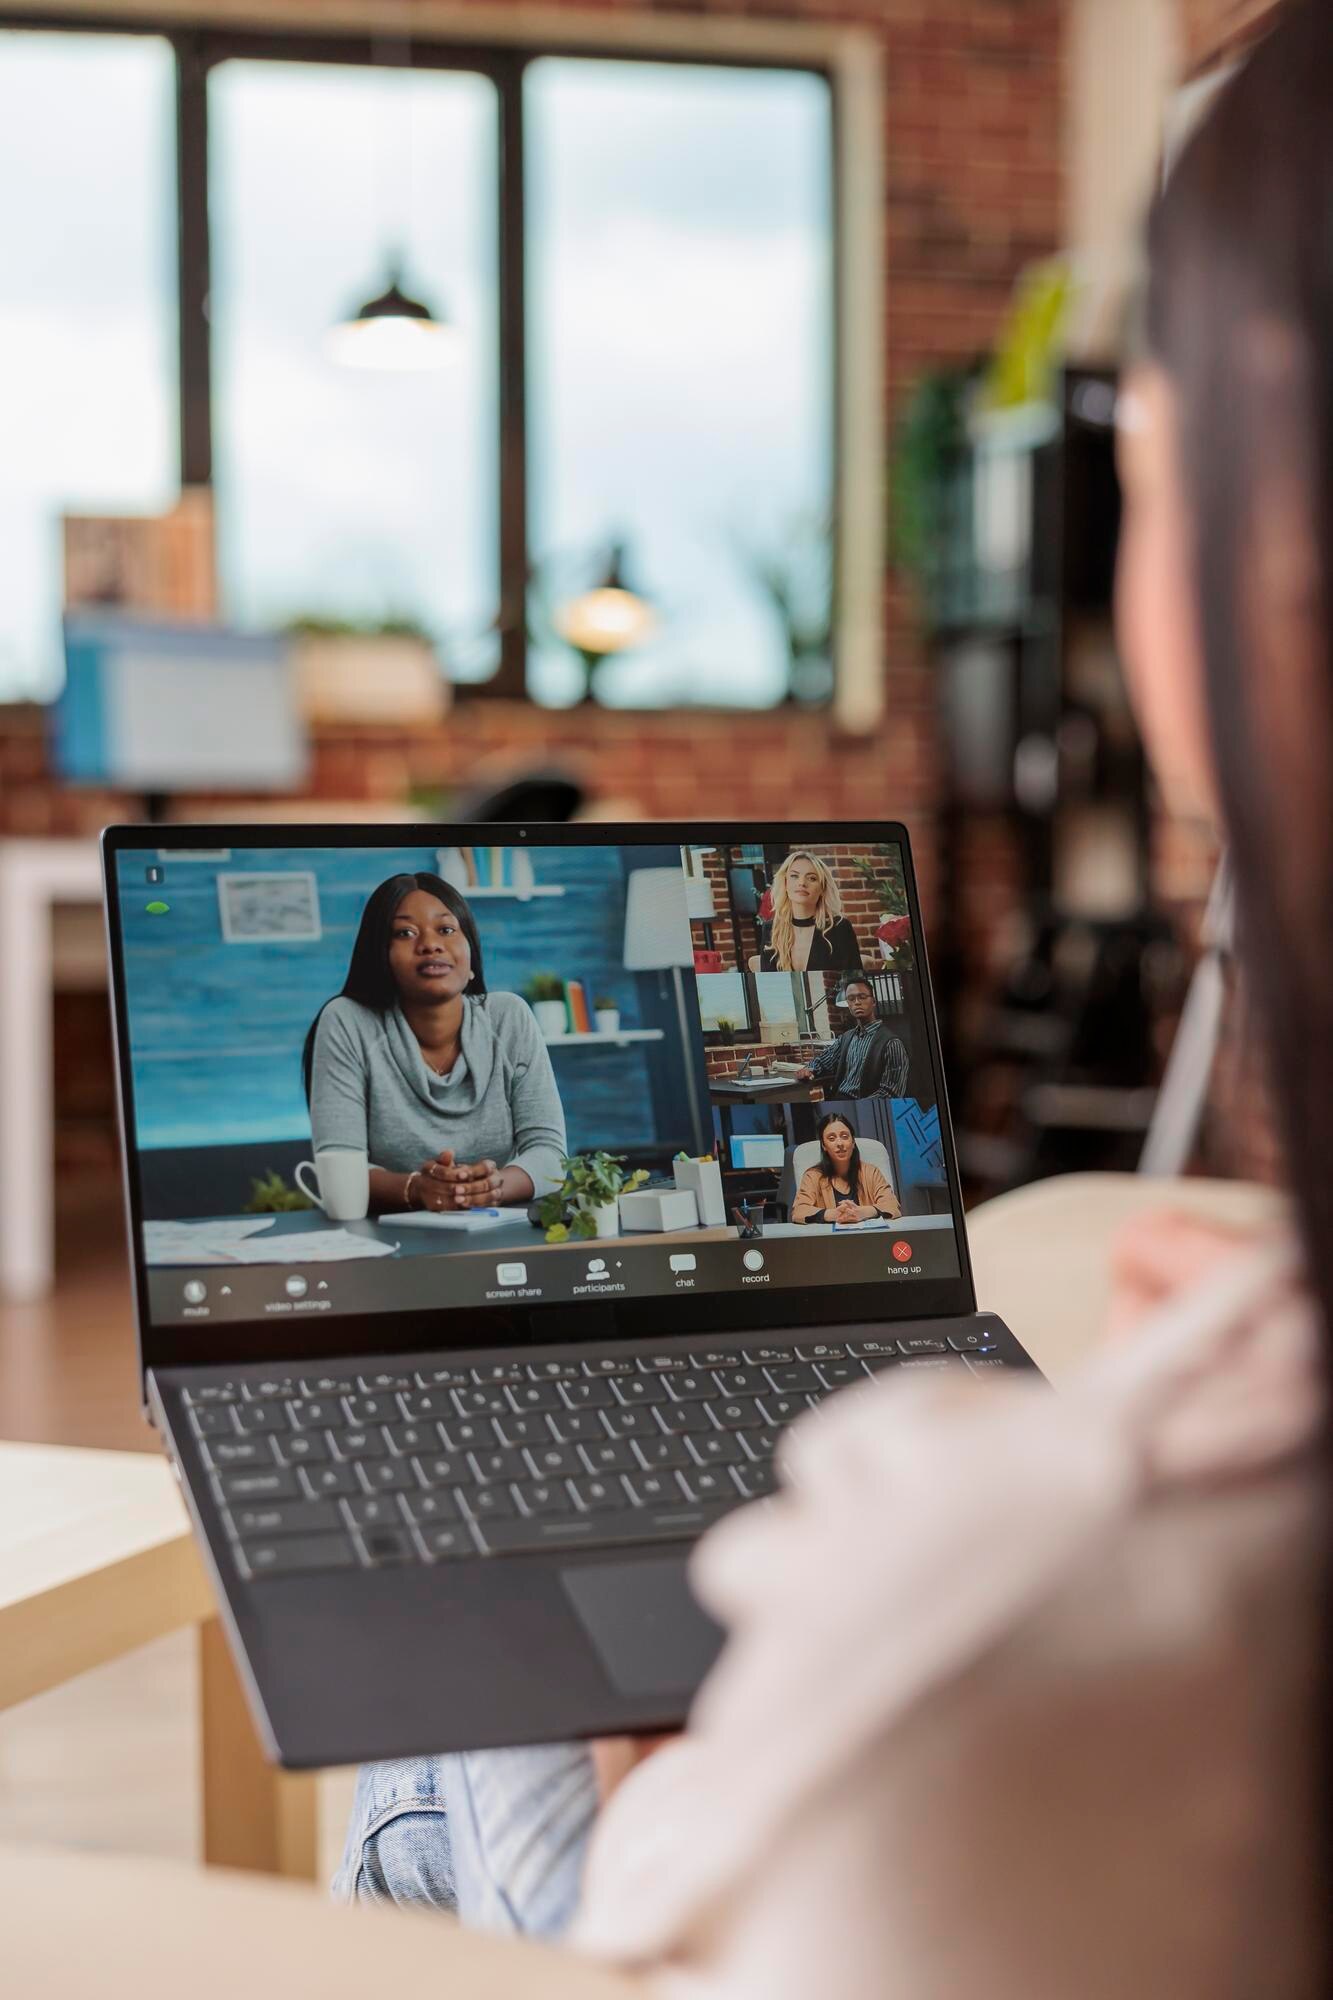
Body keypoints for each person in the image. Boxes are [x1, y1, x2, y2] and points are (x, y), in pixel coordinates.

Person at [337, 13, 1332, 1993]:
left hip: (777, 1841)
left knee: (437, 1653)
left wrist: (626, 1706)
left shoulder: (1023, 1612)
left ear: (1253, 566)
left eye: (1147, 457)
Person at [303, 872, 566, 1212]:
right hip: (387, 1241)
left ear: (470, 957)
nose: (430, 944)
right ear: (381, 958)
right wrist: (418, 1188)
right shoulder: (348, 1021)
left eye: (446, 930)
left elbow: (551, 1155)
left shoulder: (508, 1017)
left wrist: (490, 1188)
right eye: (405, 933)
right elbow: (339, 1167)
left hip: (498, 1229)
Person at [795, 975, 910, 1099]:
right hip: (838, 1097)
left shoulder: (891, 1043)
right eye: (851, 998)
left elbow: (891, 1092)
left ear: (874, 1001)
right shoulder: (846, 1038)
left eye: (862, 997)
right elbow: (823, 1061)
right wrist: (808, 1069)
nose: (857, 1002)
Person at [756, 851, 862, 972]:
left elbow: (854, 980)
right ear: (785, 883)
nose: (802, 883)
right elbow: (769, 985)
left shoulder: (840, 927)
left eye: (812, 878)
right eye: (794, 876)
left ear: (822, 888)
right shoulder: (771, 929)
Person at [790, 1113, 902, 1226]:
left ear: (853, 1142)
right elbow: (799, 1211)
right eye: (831, 1138)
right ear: (824, 1146)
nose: (840, 1143)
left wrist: (863, 1212)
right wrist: (833, 1214)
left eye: (844, 1136)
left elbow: (892, 1205)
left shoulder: (871, 1172)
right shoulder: (812, 1176)